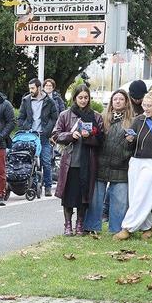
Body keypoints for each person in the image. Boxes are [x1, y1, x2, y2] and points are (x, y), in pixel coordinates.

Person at [120, 90, 152, 239]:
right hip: (136, 161)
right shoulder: (138, 120)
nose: (146, 108)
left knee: (143, 194)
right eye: (144, 105)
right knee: (136, 196)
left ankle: (127, 227)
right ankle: (146, 227)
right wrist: (129, 140)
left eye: (149, 106)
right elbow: (129, 145)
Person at [52, 88, 99, 236]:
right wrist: (71, 135)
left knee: (83, 197)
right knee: (68, 196)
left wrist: (89, 137)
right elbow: (55, 135)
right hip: (69, 162)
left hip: (87, 162)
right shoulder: (65, 115)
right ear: (75, 98)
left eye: (86, 97)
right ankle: (67, 225)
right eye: (80, 97)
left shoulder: (95, 116)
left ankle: (80, 224)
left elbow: (101, 139)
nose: (83, 100)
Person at [88, 90, 134, 236]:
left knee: (119, 201)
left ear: (126, 102)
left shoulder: (133, 121)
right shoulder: (102, 118)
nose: (118, 101)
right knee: (95, 198)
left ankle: (117, 229)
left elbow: (135, 145)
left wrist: (130, 143)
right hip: (101, 163)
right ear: (111, 102)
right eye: (115, 99)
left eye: (121, 99)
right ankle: (91, 226)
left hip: (121, 165)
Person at [17, 81, 59, 198]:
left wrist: (47, 131)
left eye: (33, 88)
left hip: (43, 136)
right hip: (30, 136)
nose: (31, 90)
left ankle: (48, 187)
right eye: (29, 88)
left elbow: (54, 118)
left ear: (39, 88)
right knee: (30, 161)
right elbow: (20, 117)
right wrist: (25, 127)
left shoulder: (49, 101)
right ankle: (33, 185)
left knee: (46, 161)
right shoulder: (26, 100)